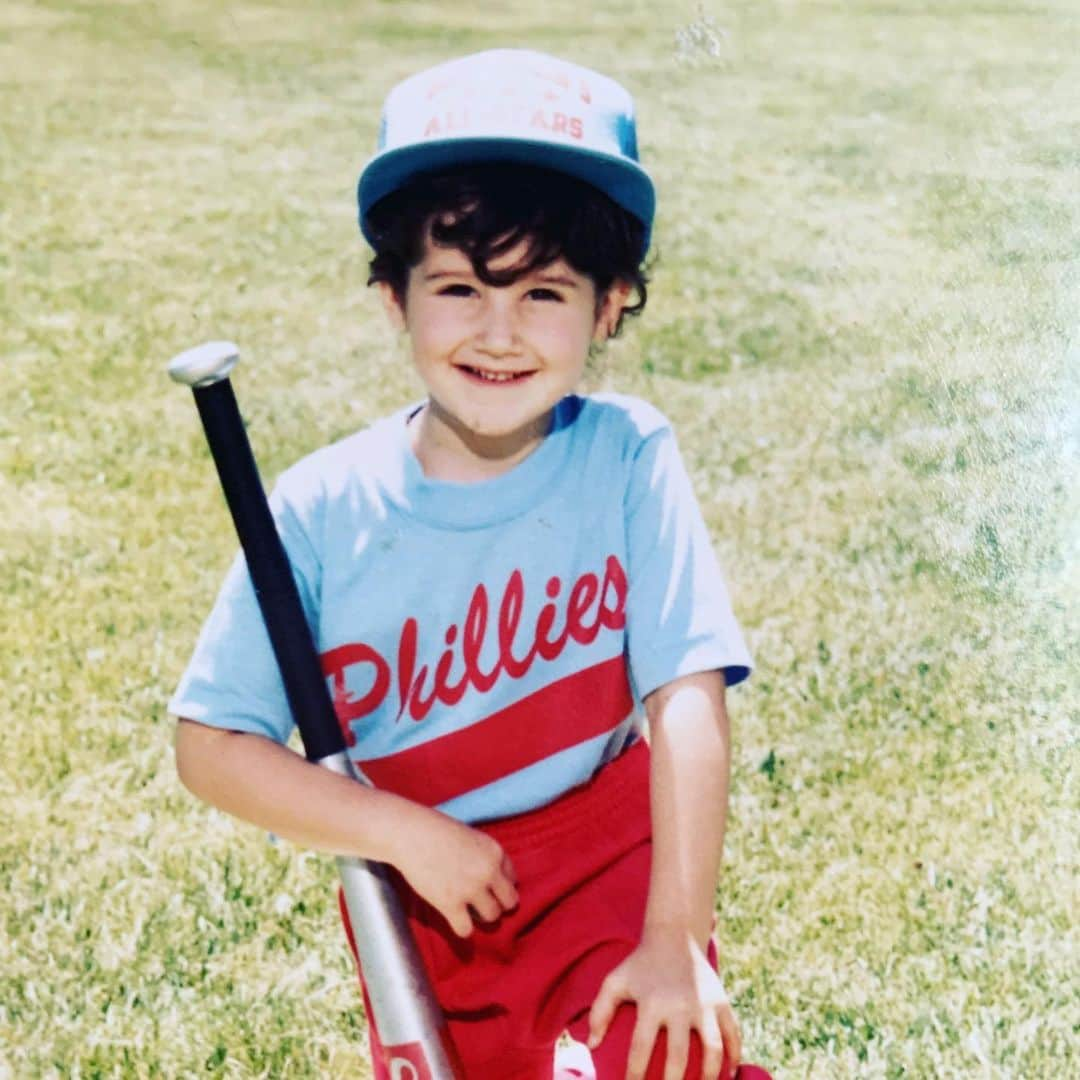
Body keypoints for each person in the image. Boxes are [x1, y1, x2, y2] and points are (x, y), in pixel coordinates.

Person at [171, 48, 769, 1080]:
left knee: (663, 1060)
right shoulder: (320, 510)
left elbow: (686, 696)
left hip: (612, 871)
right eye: (457, 286)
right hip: (430, 898)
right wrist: (399, 832)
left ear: (612, 301)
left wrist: (677, 935)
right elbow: (211, 745)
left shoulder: (625, 454)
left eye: (544, 292)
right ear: (394, 300)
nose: (498, 332)